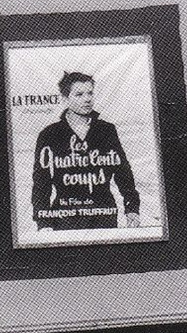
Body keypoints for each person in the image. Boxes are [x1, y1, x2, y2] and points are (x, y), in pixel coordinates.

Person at [31, 71, 140, 232]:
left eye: (90, 93)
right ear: (65, 99)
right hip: (65, 217)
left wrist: (132, 209)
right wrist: (43, 222)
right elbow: (41, 182)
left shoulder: (107, 130)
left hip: (104, 214)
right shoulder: (49, 134)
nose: (87, 98)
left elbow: (123, 172)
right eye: (79, 94)